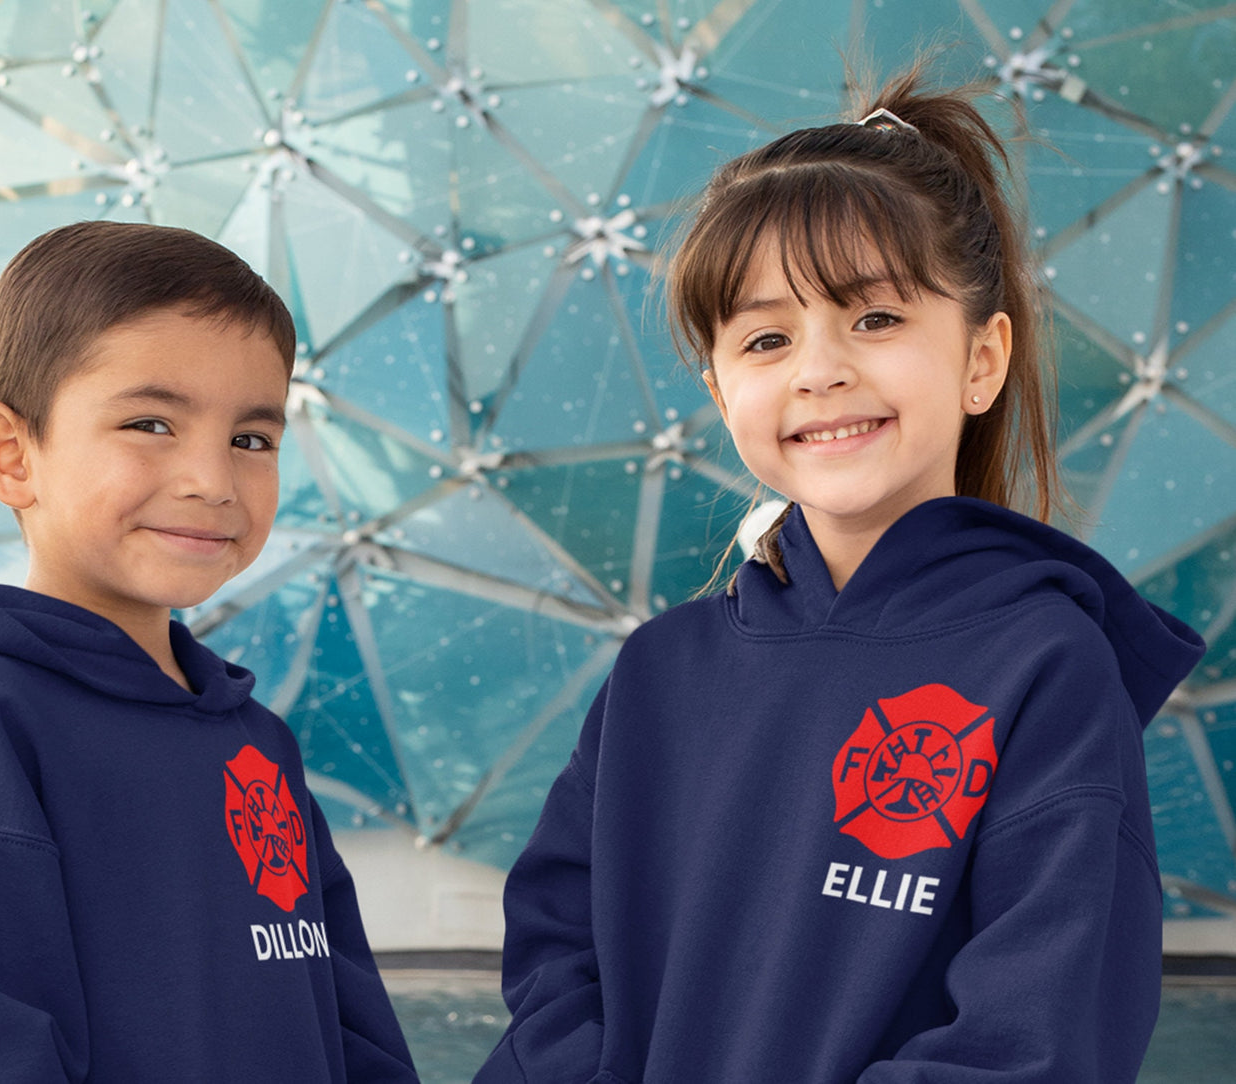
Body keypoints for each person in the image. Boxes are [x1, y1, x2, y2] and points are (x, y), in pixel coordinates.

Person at [475, 70, 1206, 1083]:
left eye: (872, 319)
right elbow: (555, 955)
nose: (817, 369)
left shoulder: (1044, 668)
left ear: (980, 359)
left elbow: (1035, 1040)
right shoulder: (659, 671)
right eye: (766, 337)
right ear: (718, 387)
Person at [0, 221, 418, 1082]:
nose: (212, 479)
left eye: (251, 439)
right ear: (11, 455)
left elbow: (351, 1028)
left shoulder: (256, 739)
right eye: (149, 423)